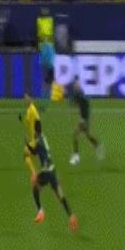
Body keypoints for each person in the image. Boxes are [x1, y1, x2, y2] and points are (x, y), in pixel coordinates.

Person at [20, 93, 78, 231]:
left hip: (46, 171)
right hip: (52, 170)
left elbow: (32, 151)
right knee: (60, 195)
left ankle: (40, 211)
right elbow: (37, 151)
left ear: (36, 131)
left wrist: (26, 143)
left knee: (34, 185)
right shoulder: (43, 138)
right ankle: (71, 216)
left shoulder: (38, 140)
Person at [68, 78, 104, 165]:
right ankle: (98, 147)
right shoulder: (78, 94)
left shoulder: (81, 96)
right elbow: (72, 103)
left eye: (76, 85)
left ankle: (76, 157)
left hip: (84, 119)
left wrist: (84, 119)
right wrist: (73, 101)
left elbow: (84, 105)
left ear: (78, 86)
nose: (75, 87)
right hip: (83, 118)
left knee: (75, 135)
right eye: (74, 86)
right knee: (88, 136)